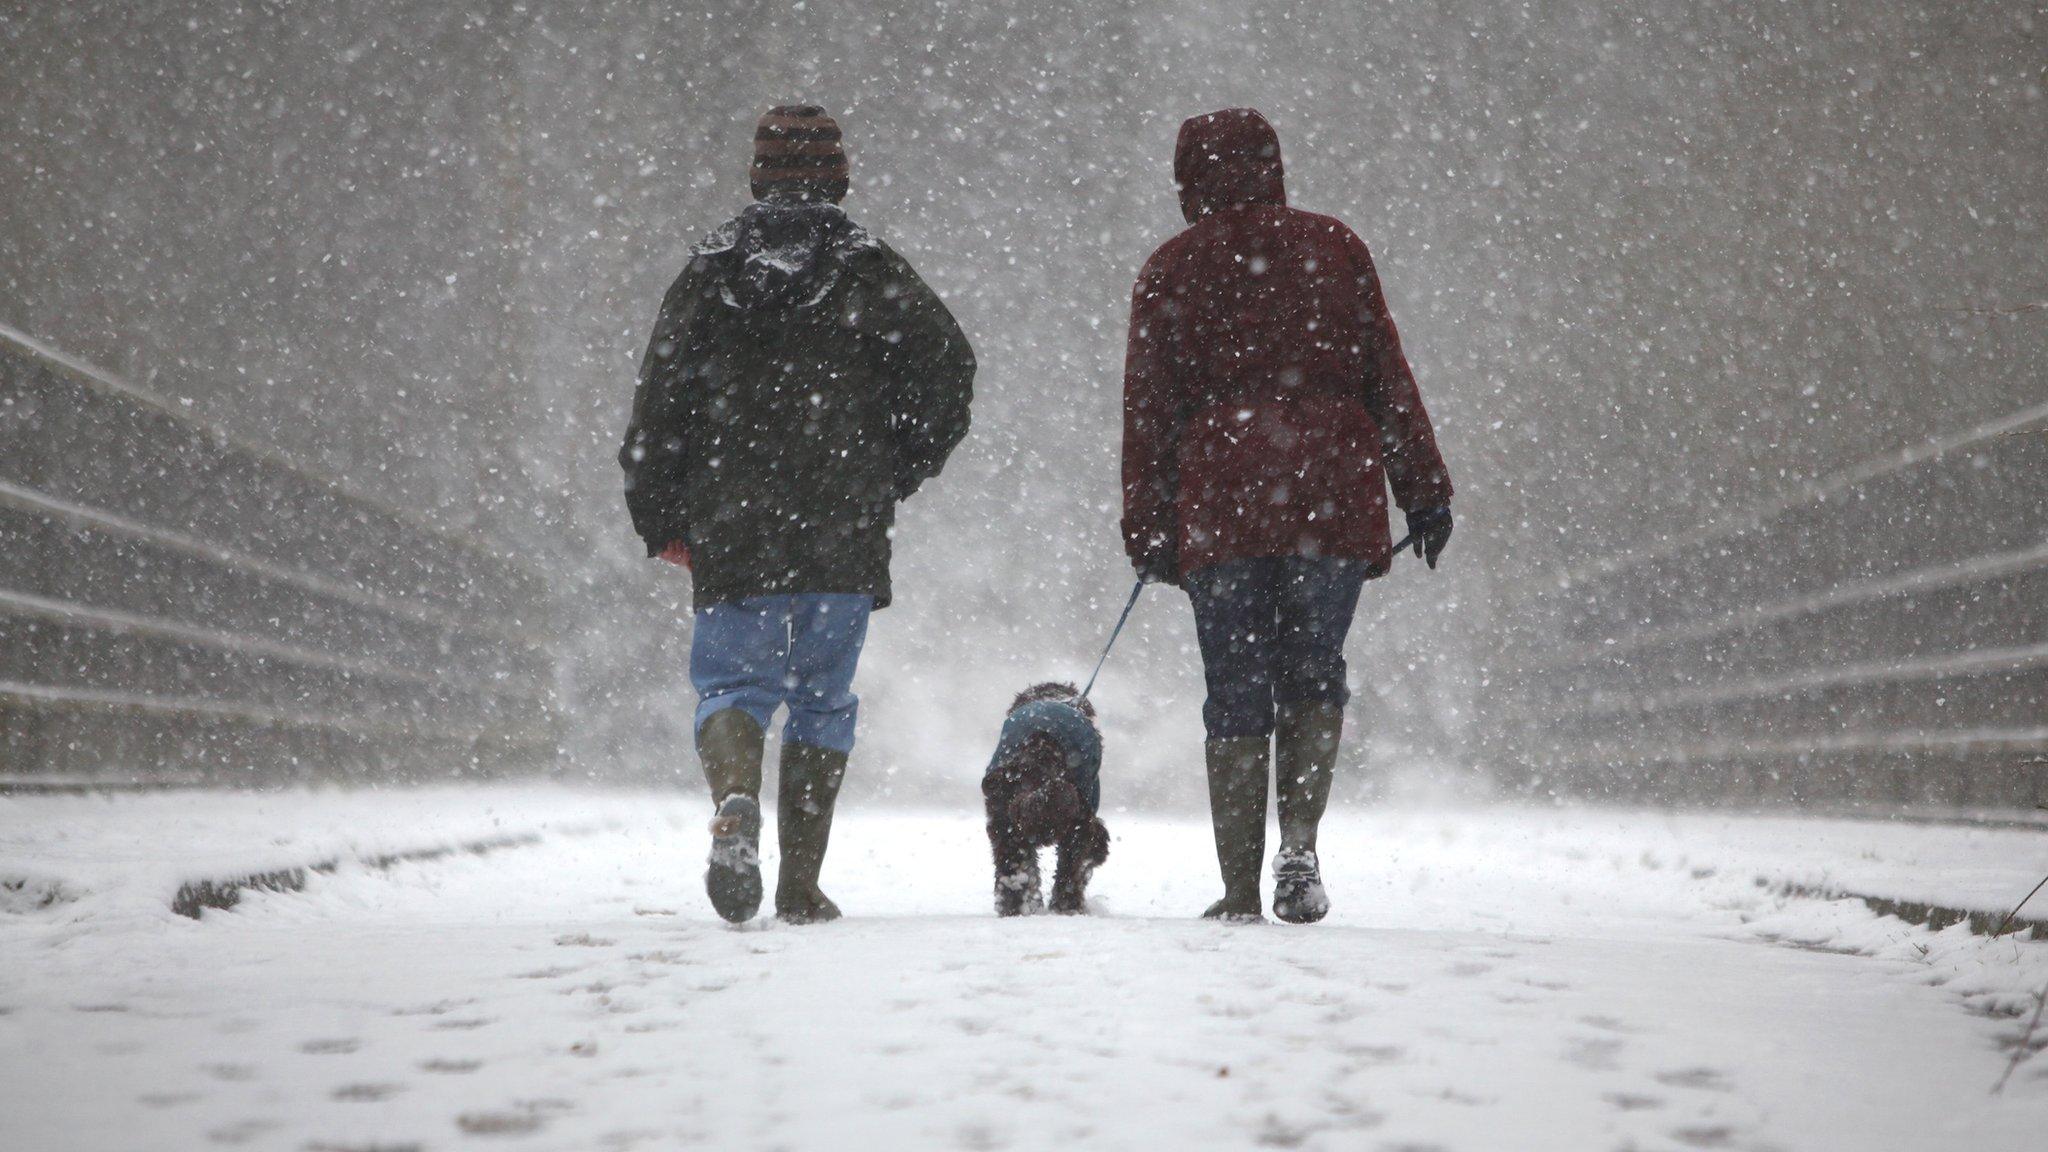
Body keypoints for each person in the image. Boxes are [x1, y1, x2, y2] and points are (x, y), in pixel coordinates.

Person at [620, 104, 975, 924]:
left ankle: (736, 797)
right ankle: (799, 884)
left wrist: (662, 515)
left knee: (732, 688)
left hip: (731, 517)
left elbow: (658, 404)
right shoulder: (871, 270)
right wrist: (896, 465)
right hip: (842, 519)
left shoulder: (709, 273)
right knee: (822, 697)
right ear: (840, 178)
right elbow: (952, 369)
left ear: (756, 177)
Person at [1121, 108, 1454, 924]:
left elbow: (1149, 413)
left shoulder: (1171, 268)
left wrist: (1148, 526)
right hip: (1330, 497)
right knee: (1313, 671)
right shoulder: (1335, 248)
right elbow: (1387, 374)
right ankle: (1299, 847)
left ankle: (1238, 889)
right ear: (1272, 165)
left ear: (1190, 177)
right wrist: (1424, 487)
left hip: (1223, 505)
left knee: (1235, 689)